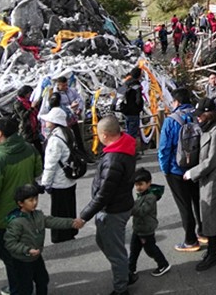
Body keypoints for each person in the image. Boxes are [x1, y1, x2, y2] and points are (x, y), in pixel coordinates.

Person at [0, 117, 43, 295]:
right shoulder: (29, 148)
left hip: (5, 216)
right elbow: (38, 170)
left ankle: (18, 289)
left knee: (10, 257)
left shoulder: (0, 159)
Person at [79, 115, 137, 295]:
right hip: (122, 203)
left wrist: (83, 216)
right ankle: (124, 274)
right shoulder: (126, 144)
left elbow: (104, 194)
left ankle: (121, 288)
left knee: (115, 251)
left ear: (104, 135)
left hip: (113, 209)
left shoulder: (113, 159)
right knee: (105, 242)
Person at [183, 97, 216, 272]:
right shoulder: (208, 127)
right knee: (215, 209)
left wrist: (192, 173)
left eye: (200, 115)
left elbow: (213, 160)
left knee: (210, 212)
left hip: (214, 177)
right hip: (208, 176)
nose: (198, 118)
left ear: (209, 114)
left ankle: (212, 253)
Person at [4, 183, 80, 295]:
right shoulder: (16, 222)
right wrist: (27, 250)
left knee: (43, 280)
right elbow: (10, 243)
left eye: (36, 199)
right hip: (22, 261)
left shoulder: (38, 215)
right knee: (25, 288)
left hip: (36, 257)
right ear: (20, 203)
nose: (35, 202)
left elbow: (53, 221)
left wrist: (72, 223)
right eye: (30, 200)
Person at [157, 88, 203, 252]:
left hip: (176, 168)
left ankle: (190, 240)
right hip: (197, 166)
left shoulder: (171, 120)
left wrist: (165, 169)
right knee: (198, 200)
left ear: (176, 102)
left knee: (184, 205)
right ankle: (203, 231)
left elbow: (164, 148)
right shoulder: (198, 116)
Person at [39, 107, 79, 243]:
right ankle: (71, 230)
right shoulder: (68, 133)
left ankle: (61, 236)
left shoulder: (55, 139)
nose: (46, 122)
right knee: (70, 208)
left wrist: (45, 183)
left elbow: (50, 165)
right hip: (70, 178)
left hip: (59, 181)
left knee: (59, 212)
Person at [128, 169, 170, 282]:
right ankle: (131, 268)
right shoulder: (142, 194)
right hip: (138, 228)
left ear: (149, 183)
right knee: (134, 249)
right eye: (136, 185)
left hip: (146, 230)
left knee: (150, 249)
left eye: (141, 184)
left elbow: (142, 211)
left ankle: (163, 264)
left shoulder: (150, 197)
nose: (138, 187)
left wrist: (129, 207)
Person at [13, 85, 43, 156]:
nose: (30, 95)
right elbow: (23, 116)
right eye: (29, 93)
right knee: (28, 148)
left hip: (34, 129)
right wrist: (31, 108)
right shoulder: (18, 103)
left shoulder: (28, 101)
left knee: (39, 148)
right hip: (26, 129)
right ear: (25, 93)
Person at [120, 68, 145, 149]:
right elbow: (138, 100)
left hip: (125, 111)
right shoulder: (136, 85)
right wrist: (139, 107)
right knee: (132, 133)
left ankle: (127, 149)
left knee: (128, 130)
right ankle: (130, 150)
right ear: (139, 75)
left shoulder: (125, 84)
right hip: (134, 111)